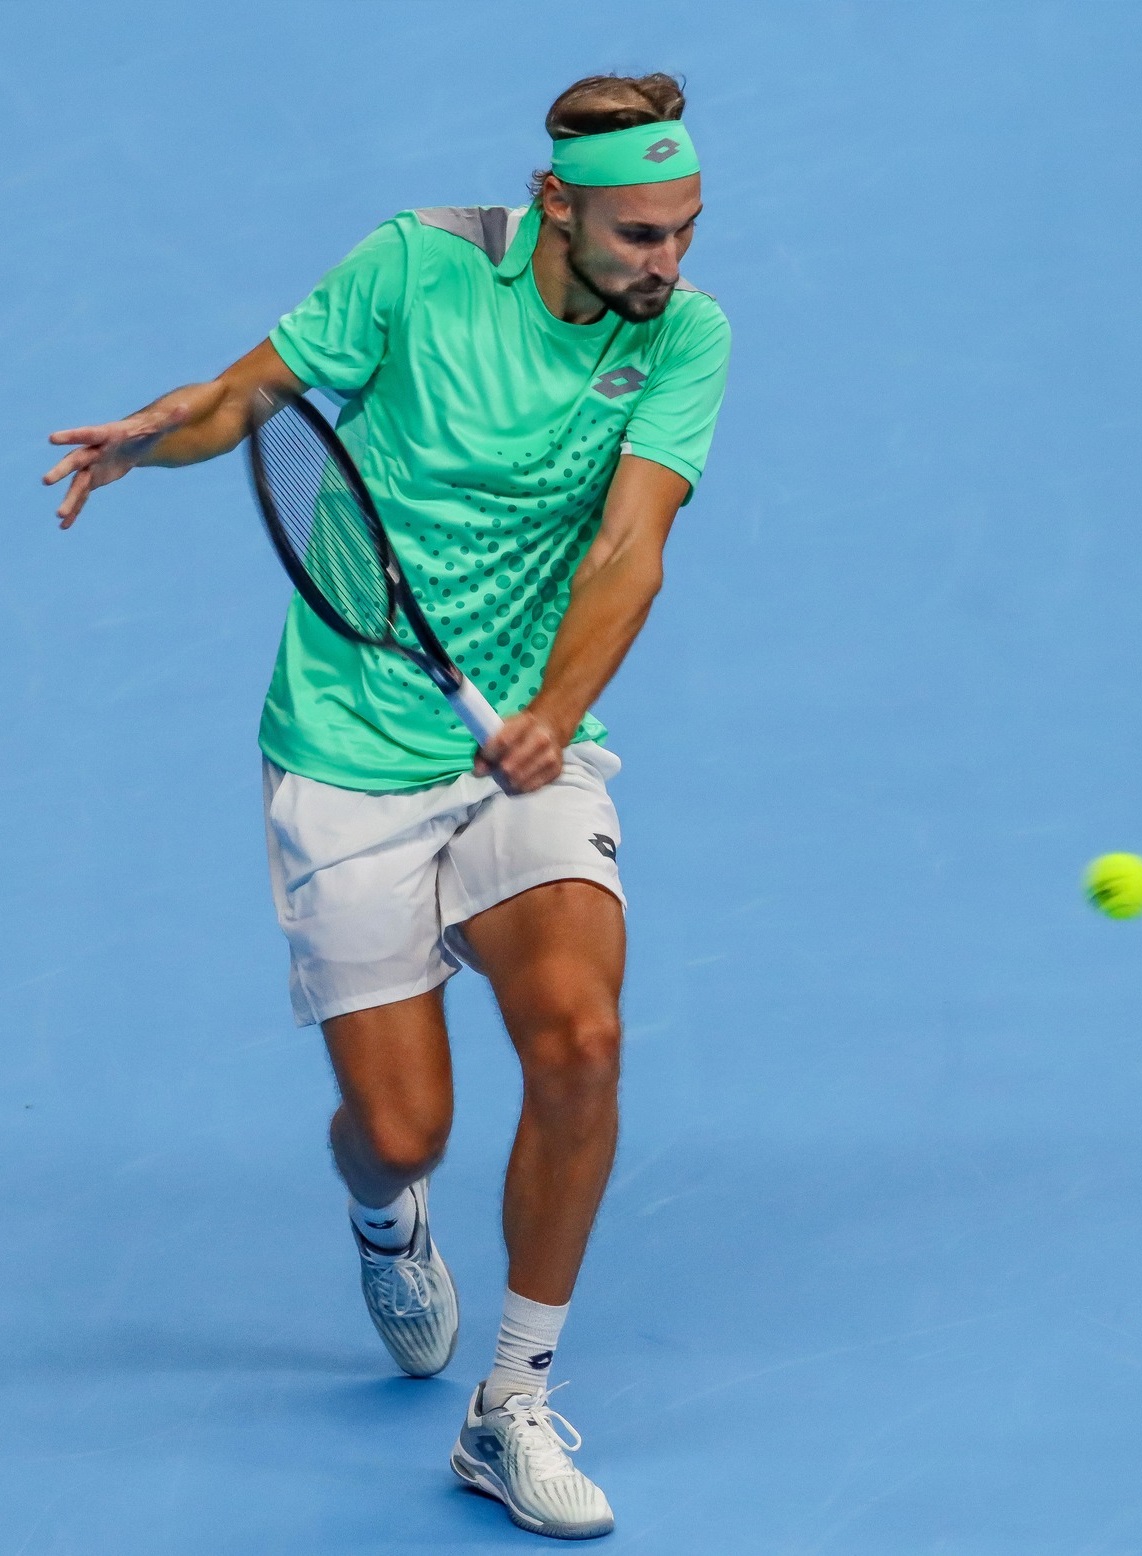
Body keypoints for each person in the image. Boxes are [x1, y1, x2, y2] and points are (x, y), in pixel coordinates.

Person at [43, 72, 730, 1541]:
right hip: (347, 752)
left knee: (584, 1040)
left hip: (523, 753)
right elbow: (247, 399)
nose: (667, 261)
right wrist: (161, 431)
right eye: (640, 234)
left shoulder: (686, 335)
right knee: (402, 1130)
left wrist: (552, 713)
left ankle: (510, 1406)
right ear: (557, 205)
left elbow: (630, 548)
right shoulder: (417, 266)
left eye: (685, 229)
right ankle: (383, 1216)